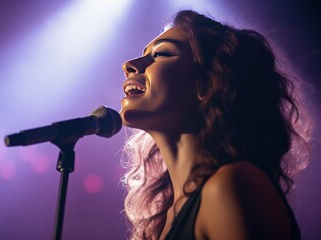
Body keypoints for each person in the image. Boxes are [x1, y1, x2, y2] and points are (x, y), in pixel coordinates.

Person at [119, 10, 311, 240]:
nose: (129, 65)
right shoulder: (165, 218)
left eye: (161, 54)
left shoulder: (231, 185)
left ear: (210, 82)